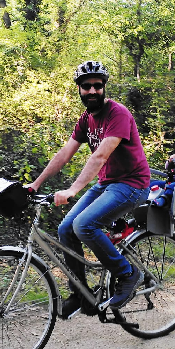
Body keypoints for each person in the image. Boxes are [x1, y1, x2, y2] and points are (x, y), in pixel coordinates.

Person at [27, 60, 151, 317]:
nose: (92, 91)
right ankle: (81, 293)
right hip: (107, 183)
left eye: (97, 85)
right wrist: (35, 184)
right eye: (87, 86)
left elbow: (100, 156)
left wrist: (72, 189)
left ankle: (128, 273)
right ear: (79, 89)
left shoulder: (118, 114)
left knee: (84, 225)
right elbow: (65, 154)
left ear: (104, 87)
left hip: (132, 183)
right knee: (65, 229)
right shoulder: (86, 119)